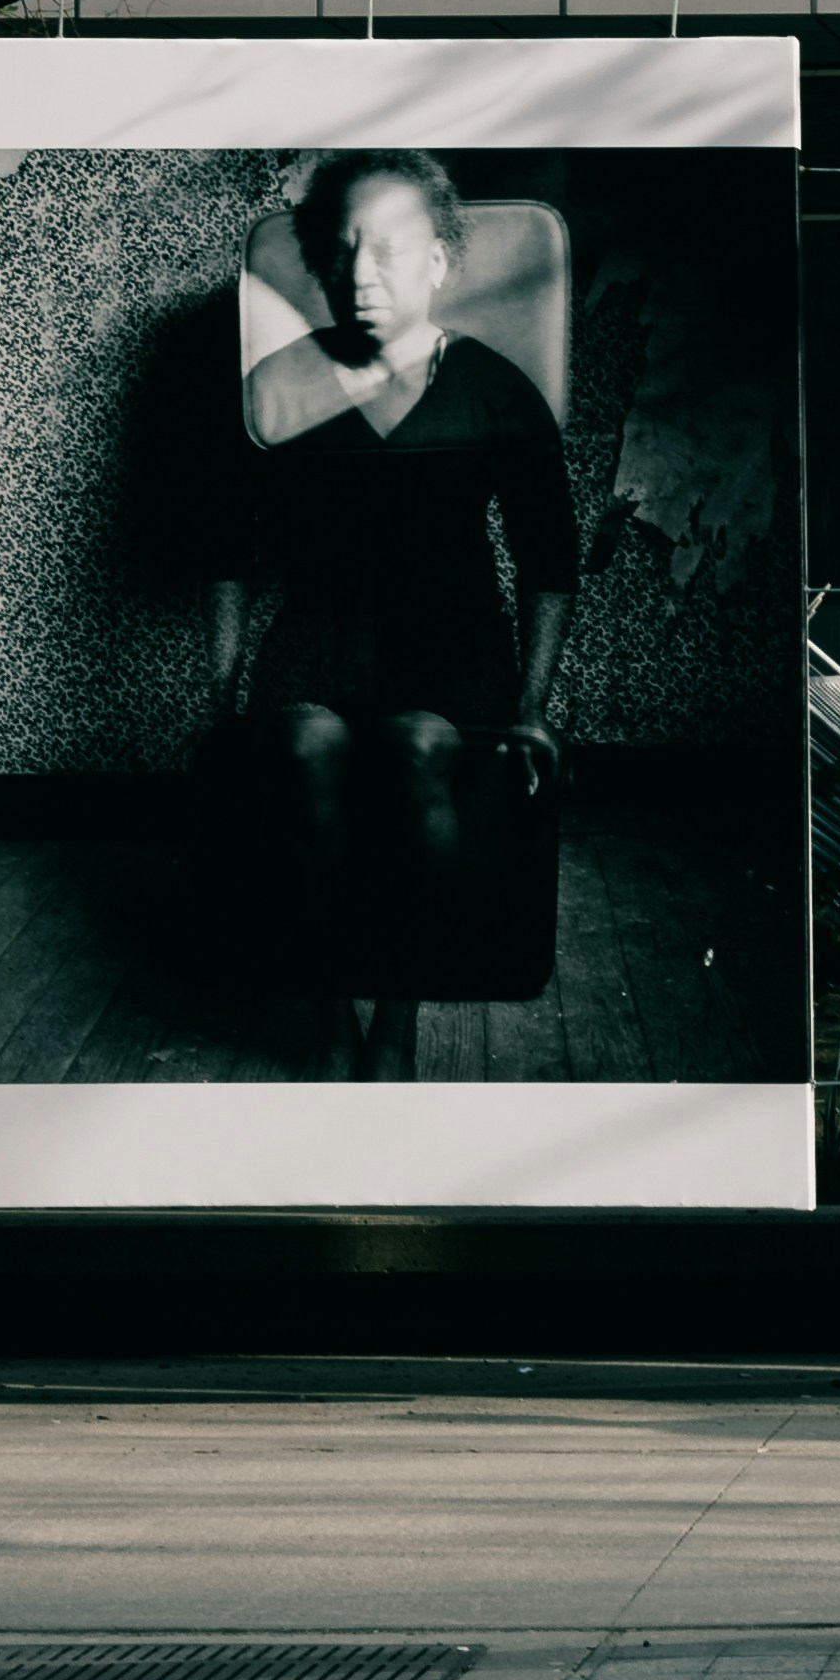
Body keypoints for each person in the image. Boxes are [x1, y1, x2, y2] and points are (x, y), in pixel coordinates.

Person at [214, 148, 575, 1079]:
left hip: (452, 650)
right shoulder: (281, 385)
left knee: (412, 754)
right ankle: (334, 1018)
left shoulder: (497, 388)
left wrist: (531, 707)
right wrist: (223, 693)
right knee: (300, 754)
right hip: (317, 643)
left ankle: (397, 1024)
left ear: (439, 263)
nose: (360, 274)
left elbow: (549, 561)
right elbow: (230, 548)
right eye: (342, 251)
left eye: (389, 249)